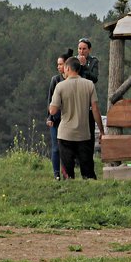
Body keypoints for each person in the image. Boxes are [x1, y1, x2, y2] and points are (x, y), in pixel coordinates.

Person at [49, 56, 104, 179]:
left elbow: (53, 110)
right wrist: (101, 130)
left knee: (68, 173)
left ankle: (69, 190)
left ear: (67, 68)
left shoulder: (60, 86)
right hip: (83, 134)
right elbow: (95, 109)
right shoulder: (89, 85)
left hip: (65, 134)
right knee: (88, 171)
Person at [45, 49, 73, 179]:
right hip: (56, 119)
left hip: (68, 119)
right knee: (56, 148)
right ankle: (56, 173)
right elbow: (50, 100)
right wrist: (50, 117)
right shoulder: (55, 80)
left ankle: (66, 173)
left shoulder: (73, 80)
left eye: (61, 64)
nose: (58, 67)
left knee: (67, 149)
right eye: (58, 64)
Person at [77, 38, 101, 147]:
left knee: (89, 126)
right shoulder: (74, 60)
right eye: (80, 49)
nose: (81, 51)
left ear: (89, 49)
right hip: (76, 95)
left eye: (84, 49)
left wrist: (85, 66)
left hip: (88, 95)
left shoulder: (93, 61)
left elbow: (94, 78)